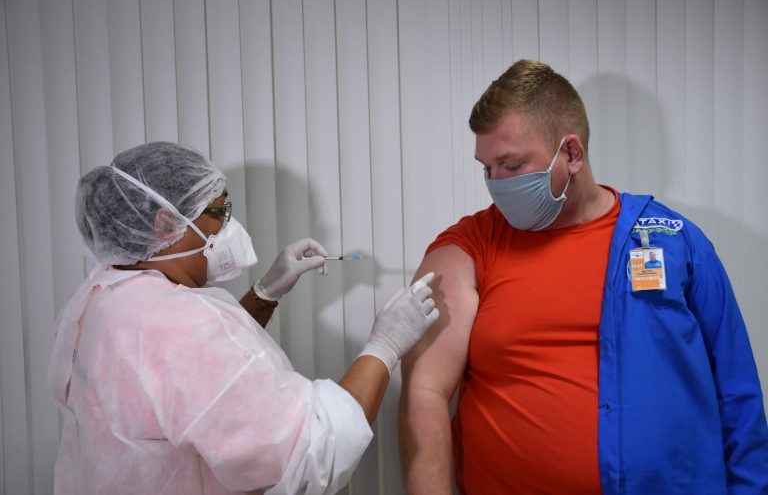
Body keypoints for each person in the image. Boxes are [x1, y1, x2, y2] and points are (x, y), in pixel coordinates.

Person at [398, 60, 768, 494]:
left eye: (511, 165)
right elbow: (424, 391)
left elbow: (737, 392)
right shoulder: (472, 246)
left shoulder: (674, 242)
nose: (495, 183)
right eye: (487, 168)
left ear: (571, 154)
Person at [48, 141, 439, 495]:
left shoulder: (100, 298)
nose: (229, 225)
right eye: (219, 211)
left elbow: (195, 382)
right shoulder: (183, 326)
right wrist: (385, 345)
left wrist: (266, 293)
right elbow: (311, 454)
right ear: (165, 224)